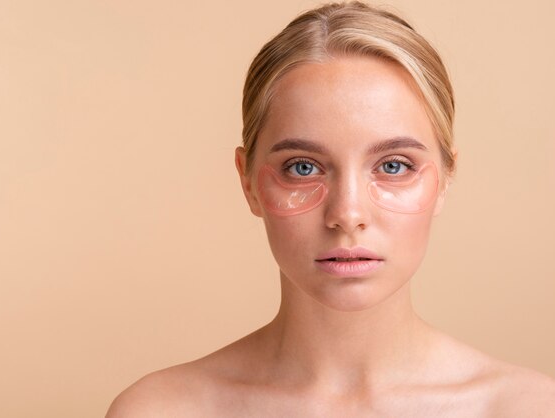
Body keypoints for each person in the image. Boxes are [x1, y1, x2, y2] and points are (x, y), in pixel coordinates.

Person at [106, 1, 555, 416]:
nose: (347, 213)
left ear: (445, 179)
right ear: (248, 181)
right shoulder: (161, 410)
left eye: (394, 165)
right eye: (302, 167)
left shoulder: (528, 408)